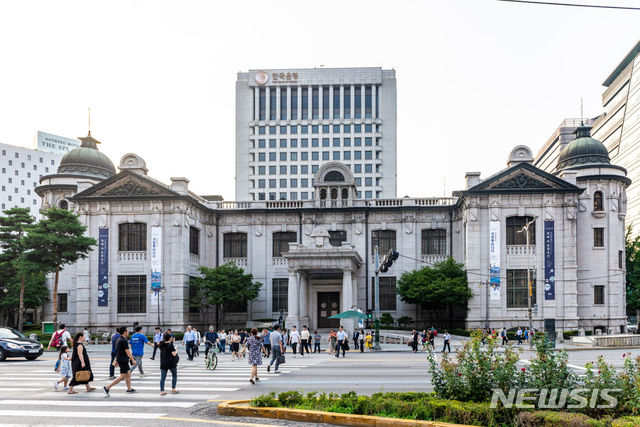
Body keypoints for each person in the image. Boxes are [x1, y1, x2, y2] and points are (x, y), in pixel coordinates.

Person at [103, 326, 137, 396]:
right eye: (127, 331)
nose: (128, 332)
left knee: (128, 374)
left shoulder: (119, 339)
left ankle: (129, 388)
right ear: (124, 332)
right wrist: (133, 360)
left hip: (121, 359)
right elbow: (127, 351)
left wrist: (115, 360)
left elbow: (117, 351)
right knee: (122, 376)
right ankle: (107, 387)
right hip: (123, 360)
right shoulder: (124, 340)